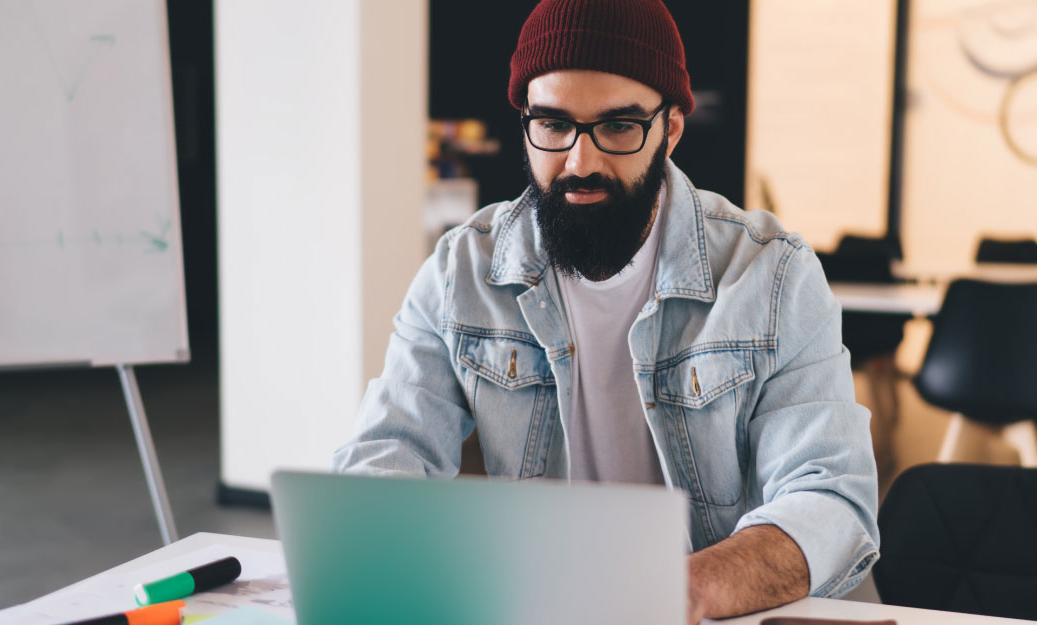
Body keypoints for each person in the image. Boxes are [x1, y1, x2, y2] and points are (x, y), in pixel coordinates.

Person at [333, 0, 879, 621]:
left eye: (618, 127)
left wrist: (680, 591)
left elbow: (832, 500)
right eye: (553, 124)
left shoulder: (771, 275)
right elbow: (384, 457)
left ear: (670, 128)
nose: (579, 161)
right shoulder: (461, 272)